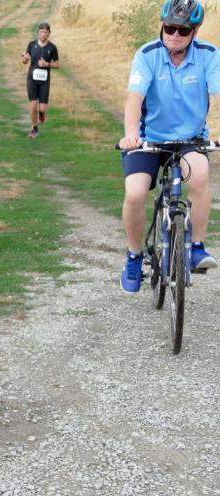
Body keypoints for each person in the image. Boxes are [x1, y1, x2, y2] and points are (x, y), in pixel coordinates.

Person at [118, 0, 220, 293]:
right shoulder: (147, 54)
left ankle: (196, 247)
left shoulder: (209, 55)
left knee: (200, 177)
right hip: (148, 138)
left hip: (190, 139)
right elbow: (134, 100)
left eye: (183, 30)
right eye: (169, 28)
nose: (174, 35)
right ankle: (134, 256)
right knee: (135, 193)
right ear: (162, 26)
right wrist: (130, 135)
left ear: (195, 31)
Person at [21, 22, 60, 139]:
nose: (43, 34)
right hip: (31, 79)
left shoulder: (52, 47)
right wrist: (25, 58)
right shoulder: (32, 45)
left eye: (46, 32)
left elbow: (57, 64)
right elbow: (24, 61)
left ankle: (41, 113)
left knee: (42, 108)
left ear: (49, 33)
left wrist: (47, 64)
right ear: (38, 32)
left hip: (44, 82)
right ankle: (34, 129)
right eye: (41, 32)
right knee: (33, 105)